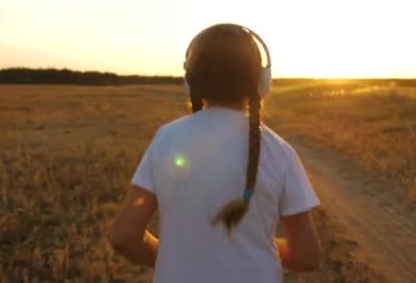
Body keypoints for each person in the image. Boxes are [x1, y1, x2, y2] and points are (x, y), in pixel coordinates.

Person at [108, 23, 321, 282]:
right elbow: (306, 256)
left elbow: (124, 236)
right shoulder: (281, 152)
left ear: (190, 81)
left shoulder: (166, 138)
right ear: (262, 81)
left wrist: (176, 258)